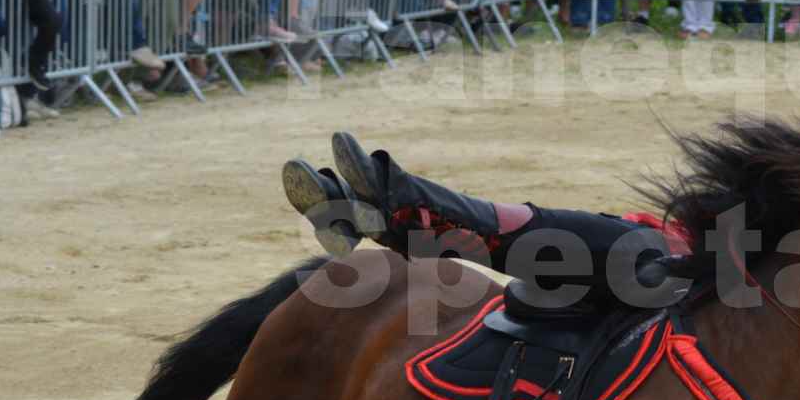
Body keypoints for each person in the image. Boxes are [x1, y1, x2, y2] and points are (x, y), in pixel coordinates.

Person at [279, 133, 677, 308]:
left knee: (551, 231)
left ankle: (385, 201)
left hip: (679, 263)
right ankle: (367, 214)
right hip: (675, 246)